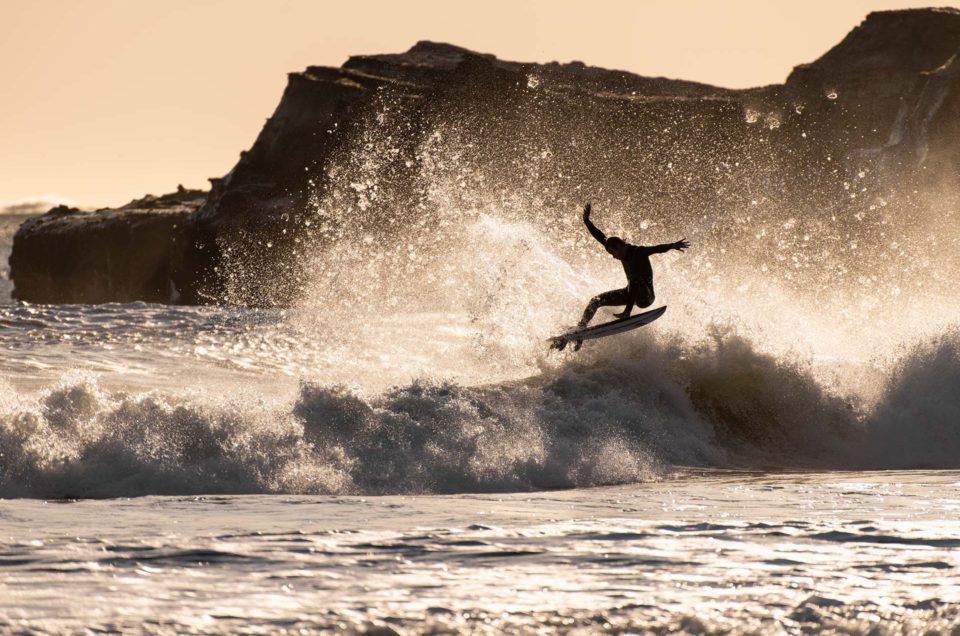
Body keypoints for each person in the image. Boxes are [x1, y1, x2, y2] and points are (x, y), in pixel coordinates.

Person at [553, 202, 689, 351]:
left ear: (620, 246)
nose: (613, 257)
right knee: (596, 300)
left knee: (635, 279)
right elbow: (601, 237)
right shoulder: (619, 250)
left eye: (614, 253)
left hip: (645, 297)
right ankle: (580, 329)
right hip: (630, 292)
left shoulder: (638, 252)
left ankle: (627, 313)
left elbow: (656, 249)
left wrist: (672, 245)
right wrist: (587, 221)